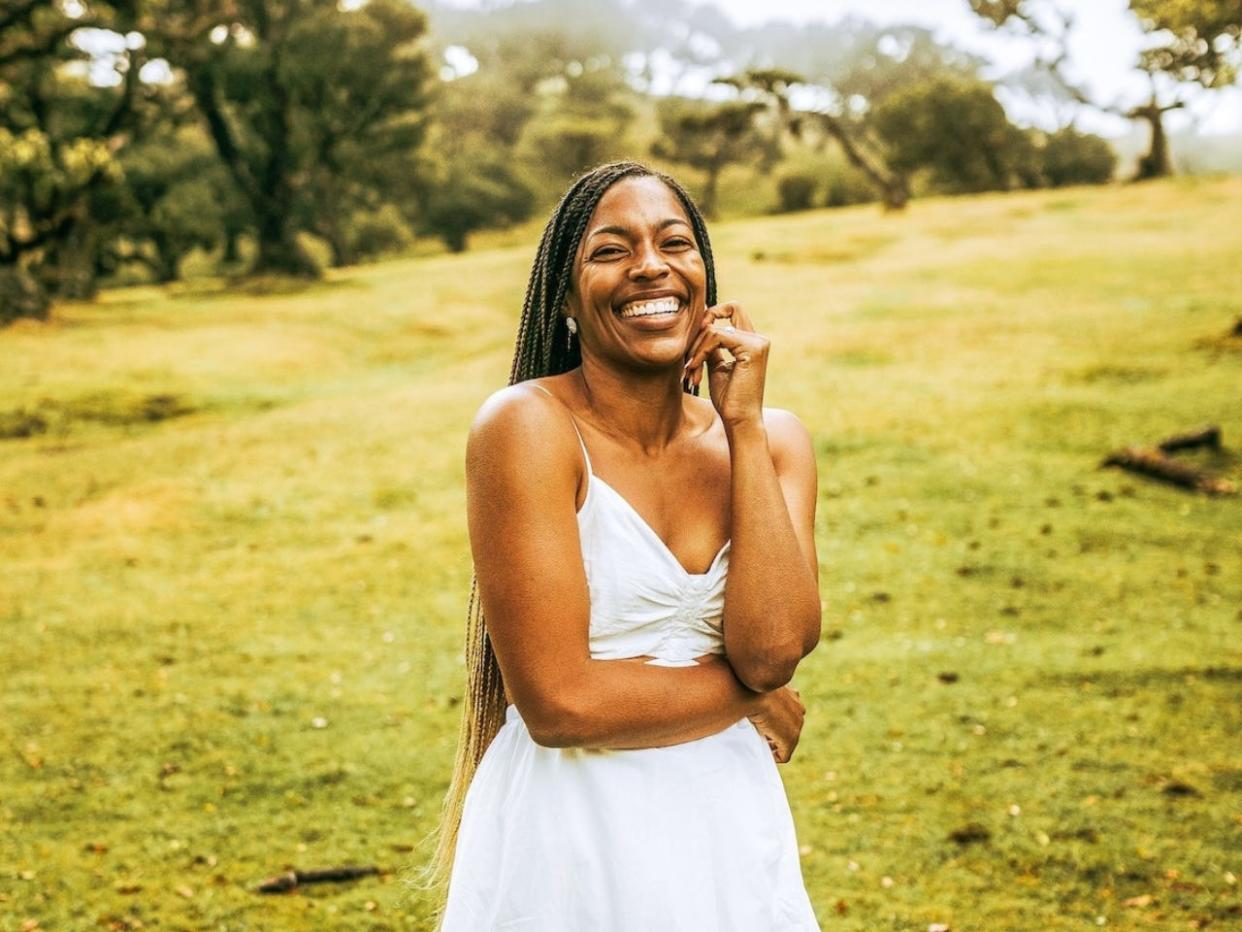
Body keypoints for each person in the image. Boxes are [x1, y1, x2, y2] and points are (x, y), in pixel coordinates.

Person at [431, 161, 822, 930]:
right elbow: (560, 704)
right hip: (574, 831)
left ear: (703, 277)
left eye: (674, 242)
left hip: (728, 822)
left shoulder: (774, 441)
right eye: (611, 250)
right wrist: (750, 698)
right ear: (567, 299)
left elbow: (772, 649)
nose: (651, 265)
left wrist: (741, 425)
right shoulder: (526, 428)